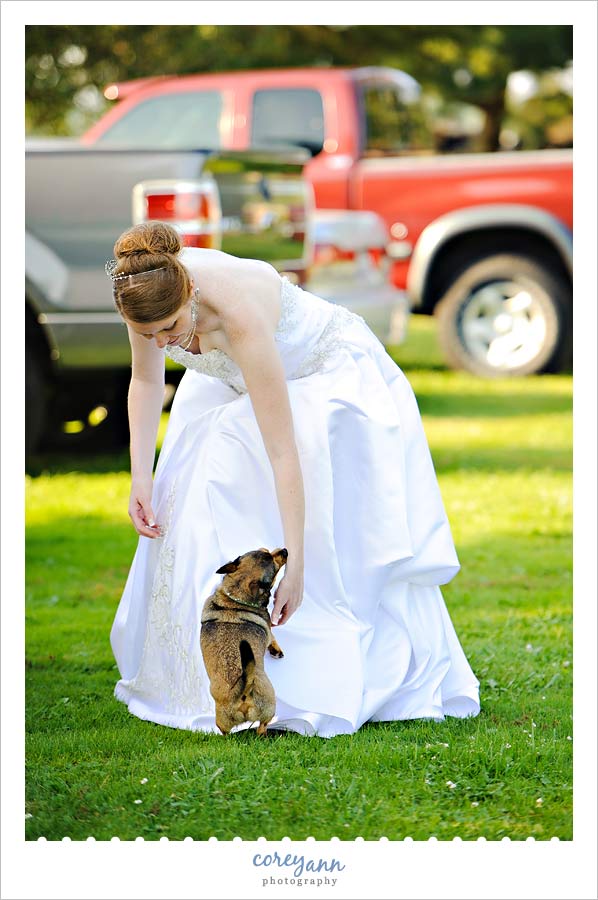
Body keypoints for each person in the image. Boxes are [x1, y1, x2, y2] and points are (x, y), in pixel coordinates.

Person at [109, 221, 480, 738]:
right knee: (191, 479)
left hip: (322, 372)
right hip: (233, 380)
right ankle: (203, 679)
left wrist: (296, 564)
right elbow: (146, 380)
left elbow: (284, 451)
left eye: (170, 328)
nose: (164, 342)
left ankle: (319, 673)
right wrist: (139, 479)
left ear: (190, 292)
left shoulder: (237, 312)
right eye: (151, 334)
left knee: (245, 453)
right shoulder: (144, 293)